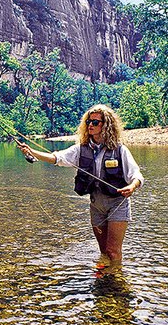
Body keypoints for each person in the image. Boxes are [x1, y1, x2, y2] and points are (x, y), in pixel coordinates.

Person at [17, 105, 144, 271]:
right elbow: (57, 158)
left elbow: (137, 176)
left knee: (113, 251)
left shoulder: (120, 150)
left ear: (106, 125)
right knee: (104, 251)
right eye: (89, 122)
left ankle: (115, 282)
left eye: (95, 122)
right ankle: (103, 277)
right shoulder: (81, 149)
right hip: (96, 206)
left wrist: (132, 187)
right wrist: (32, 152)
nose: (90, 125)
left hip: (117, 204)